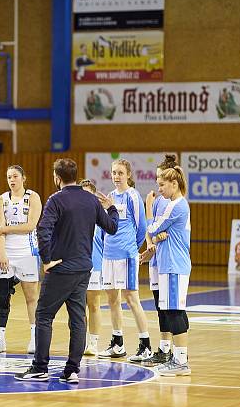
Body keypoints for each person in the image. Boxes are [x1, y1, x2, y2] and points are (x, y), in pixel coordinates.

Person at [15, 158, 118, 383]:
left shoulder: (56, 200)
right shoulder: (91, 200)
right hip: (83, 269)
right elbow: (112, 227)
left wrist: (47, 260)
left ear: (57, 177)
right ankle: (72, 370)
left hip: (61, 269)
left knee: (43, 315)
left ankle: (40, 367)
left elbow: (43, 229)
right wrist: (111, 209)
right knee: (78, 320)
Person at [98, 158, 151, 363]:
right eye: (113, 173)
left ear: (128, 175)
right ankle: (117, 343)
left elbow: (141, 227)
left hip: (126, 256)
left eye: (120, 173)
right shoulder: (109, 196)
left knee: (132, 299)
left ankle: (145, 345)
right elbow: (105, 225)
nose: (116, 176)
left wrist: (133, 249)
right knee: (112, 300)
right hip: (108, 255)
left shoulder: (133, 196)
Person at [145, 166, 192, 376]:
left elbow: (153, 228)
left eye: (162, 185)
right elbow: (157, 231)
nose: (159, 189)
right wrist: (158, 232)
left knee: (174, 312)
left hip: (174, 266)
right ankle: (178, 357)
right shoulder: (173, 204)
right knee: (172, 311)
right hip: (168, 265)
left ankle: (181, 361)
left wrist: (156, 229)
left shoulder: (176, 206)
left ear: (174, 184)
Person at [0, 165, 42, 354]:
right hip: (5, 252)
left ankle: (34, 339)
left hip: (27, 252)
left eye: (15, 176)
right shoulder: (2, 200)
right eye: (8, 177)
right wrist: (2, 253)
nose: (11, 180)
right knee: (2, 297)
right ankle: (0, 339)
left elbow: (30, 226)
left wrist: (4, 229)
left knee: (31, 298)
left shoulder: (33, 197)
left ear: (23, 178)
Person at [139, 154, 179, 367]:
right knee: (159, 304)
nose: (157, 184)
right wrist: (150, 243)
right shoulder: (155, 199)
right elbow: (150, 226)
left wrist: (159, 235)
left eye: (160, 179)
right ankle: (164, 349)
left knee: (170, 307)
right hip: (155, 258)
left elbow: (169, 230)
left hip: (168, 259)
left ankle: (173, 349)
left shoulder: (174, 202)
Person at [79, 179, 105, 356]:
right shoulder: (73, 215)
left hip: (95, 265)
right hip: (76, 266)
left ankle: (93, 343)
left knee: (93, 305)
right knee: (78, 307)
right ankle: (79, 342)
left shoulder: (100, 217)